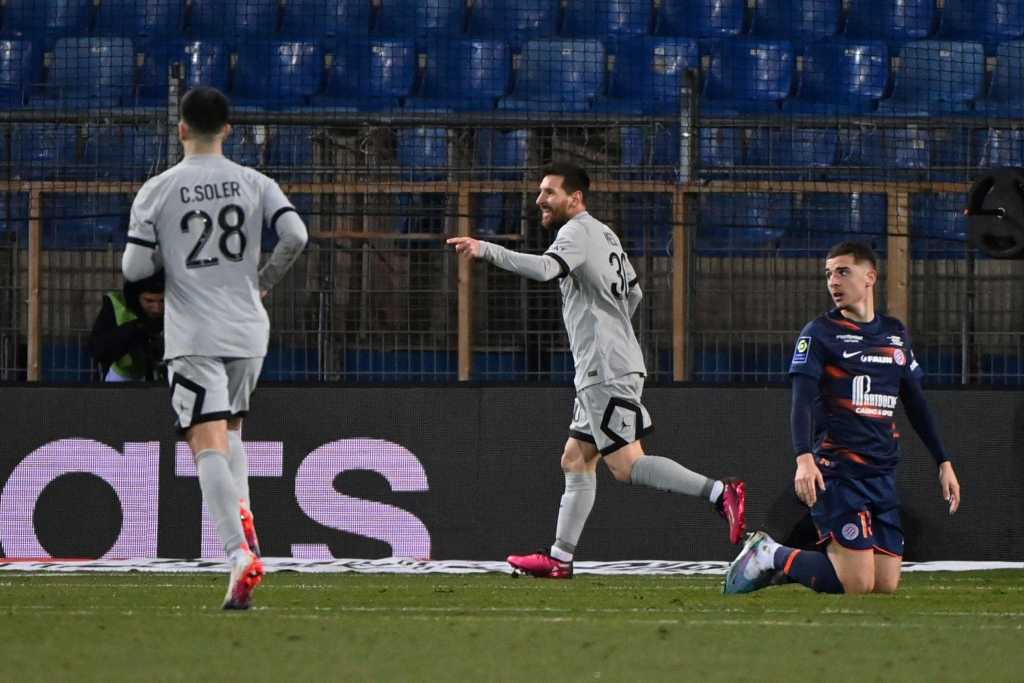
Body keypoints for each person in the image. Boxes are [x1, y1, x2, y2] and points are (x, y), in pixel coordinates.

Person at [448, 161, 746, 578]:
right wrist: (609, 328)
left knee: (625, 465)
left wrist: (487, 249)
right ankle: (560, 559)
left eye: (549, 192)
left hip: (605, 367)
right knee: (575, 459)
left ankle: (719, 492)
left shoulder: (575, 233)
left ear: (576, 198)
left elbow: (545, 269)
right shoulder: (605, 234)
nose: (540, 200)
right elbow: (635, 294)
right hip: (606, 364)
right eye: (540, 192)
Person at [122, 86, 308, 608]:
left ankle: (237, 553)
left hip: (194, 330)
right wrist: (263, 281)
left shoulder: (158, 188)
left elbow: (133, 270)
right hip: (249, 325)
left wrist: (164, 262)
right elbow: (296, 236)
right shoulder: (255, 181)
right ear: (228, 130)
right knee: (231, 430)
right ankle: (243, 520)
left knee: (205, 443)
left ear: (180, 129)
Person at [724, 241, 961, 595]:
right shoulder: (820, 334)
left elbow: (916, 404)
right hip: (837, 471)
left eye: (843, 272)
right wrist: (804, 458)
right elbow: (801, 402)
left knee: (884, 585)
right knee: (857, 584)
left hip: (881, 472)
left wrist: (943, 460)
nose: (833, 281)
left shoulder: (895, 335)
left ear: (870, 277)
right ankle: (769, 554)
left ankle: (782, 559)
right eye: (829, 273)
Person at [89, 271, 166, 382]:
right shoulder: (117, 305)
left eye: (162, 301)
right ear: (136, 297)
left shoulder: (177, 307)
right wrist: (134, 329)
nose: (157, 308)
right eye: (149, 301)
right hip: (120, 380)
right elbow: (97, 349)